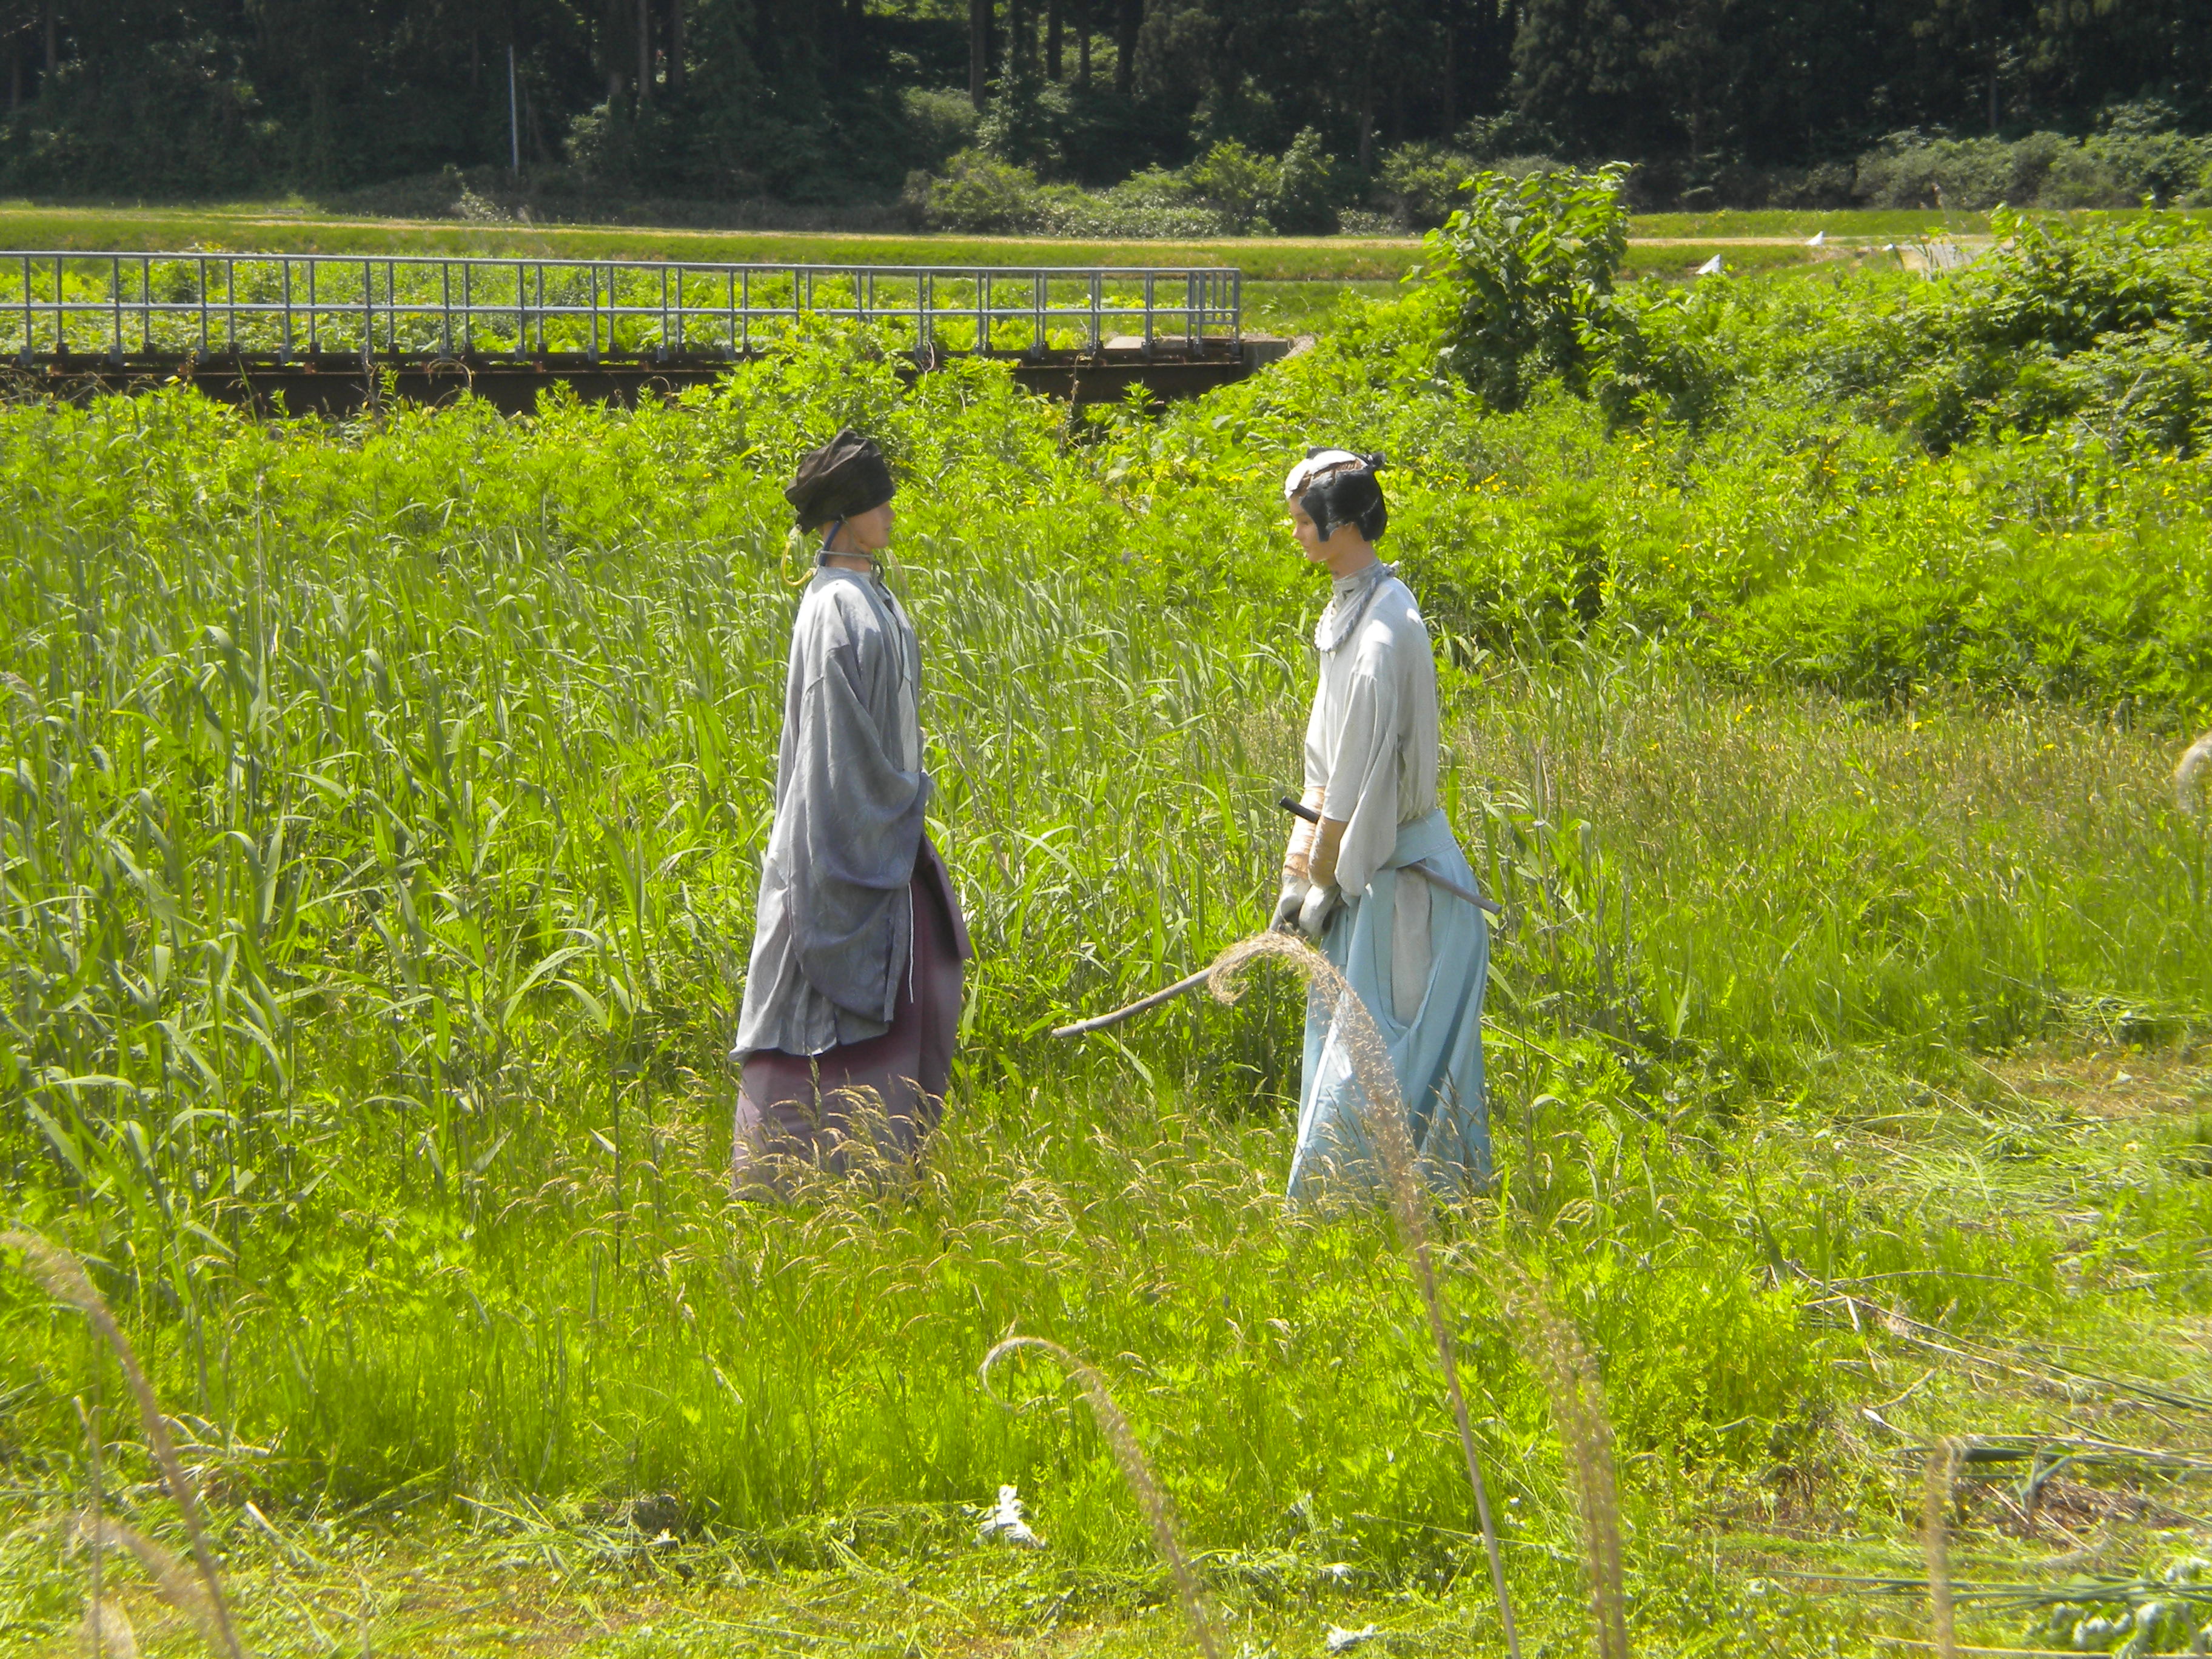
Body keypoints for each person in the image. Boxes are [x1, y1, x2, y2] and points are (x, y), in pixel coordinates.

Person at [732, 429, 970, 1185]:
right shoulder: (836, 608)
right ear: (842, 513)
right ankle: (822, 1180)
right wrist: (884, 825)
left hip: (887, 839)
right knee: (829, 1003)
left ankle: (880, 1172)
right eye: (876, 498)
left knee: (921, 981)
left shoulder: (870, 599)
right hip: (841, 847)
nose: (892, 509)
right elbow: (837, 762)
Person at [1272, 448, 1491, 1200]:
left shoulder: (1381, 636)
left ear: (1341, 525)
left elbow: (1357, 792)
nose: (1295, 531)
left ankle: (1358, 1224)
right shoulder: (1350, 609)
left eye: (1304, 521)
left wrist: (1325, 883)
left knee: (1374, 1072)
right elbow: (1323, 764)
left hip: (1408, 897)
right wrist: (1296, 873)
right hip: (1369, 882)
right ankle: (1367, 1223)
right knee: (1349, 1052)